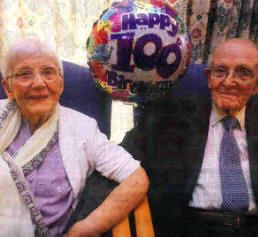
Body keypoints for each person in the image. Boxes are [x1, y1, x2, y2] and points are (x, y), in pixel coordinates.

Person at [0, 38, 149, 237]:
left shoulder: (83, 128)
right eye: (24, 74)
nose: (38, 83)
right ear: (8, 87)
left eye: (48, 72)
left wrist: (84, 229)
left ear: (61, 83)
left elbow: (136, 179)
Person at [121, 38, 258, 236]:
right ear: (209, 77)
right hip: (188, 228)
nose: (229, 81)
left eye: (243, 73)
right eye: (220, 71)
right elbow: (117, 160)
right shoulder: (168, 115)